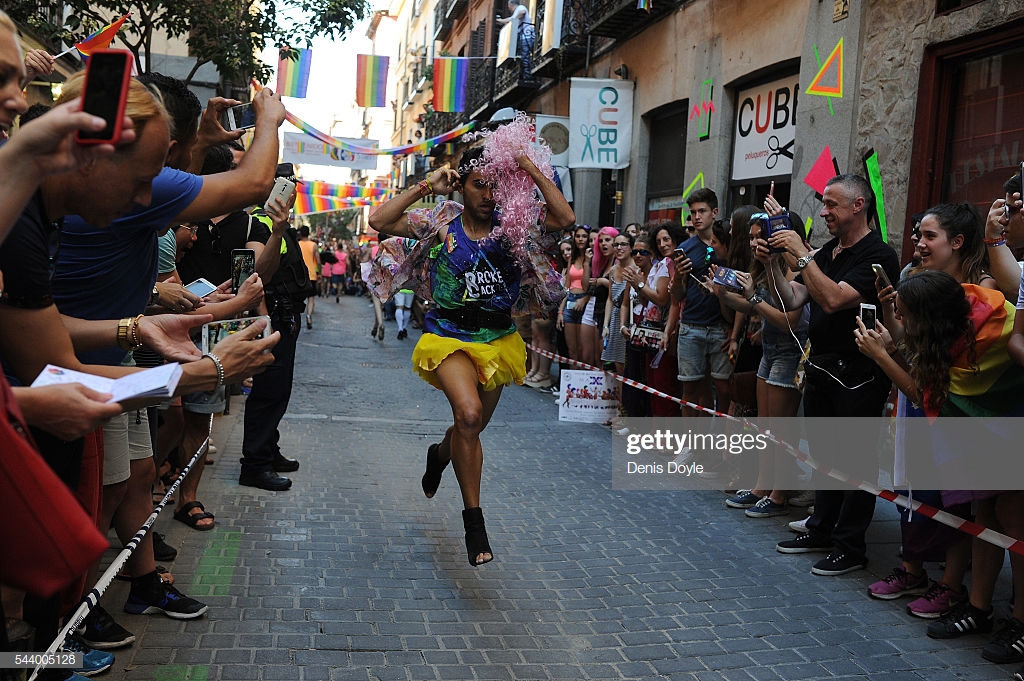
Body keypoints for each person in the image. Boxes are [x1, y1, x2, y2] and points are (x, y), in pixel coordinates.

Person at [368, 140, 574, 566]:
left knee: (467, 430)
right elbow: (378, 220)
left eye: (497, 187)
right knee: (469, 415)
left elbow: (565, 218)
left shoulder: (514, 223)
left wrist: (529, 169)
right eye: (480, 186)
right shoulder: (440, 221)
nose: (489, 196)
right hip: (447, 336)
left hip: (497, 340)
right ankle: (474, 522)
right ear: (462, 185)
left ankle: (438, 455)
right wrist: (427, 183)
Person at [856, 270, 1024, 667]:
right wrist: (890, 326)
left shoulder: (990, 331)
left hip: (1013, 423)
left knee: (1015, 524)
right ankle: (979, 609)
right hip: (990, 430)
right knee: (986, 513)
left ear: (929, 319)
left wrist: (882, 356)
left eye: (905, 316)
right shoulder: (953, 319)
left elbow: (924, 393)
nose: (904, 326)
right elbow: (922, 362)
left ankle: (1020, 621)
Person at [770, 174, 900, 576]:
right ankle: (821, 528)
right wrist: (773, 263)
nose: (823, 211)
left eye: (831, 204)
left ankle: (850, 546)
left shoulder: (878, 254)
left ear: (858, 206)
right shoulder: (828, 251)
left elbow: (832, 299)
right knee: (825, 455)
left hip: (859, 371)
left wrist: (802, 254)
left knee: (854, 459)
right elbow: (793, 297)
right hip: (823, 367)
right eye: (822, 203)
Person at [670, 189, 733, 417]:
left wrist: (734, 330)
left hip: (721, 328)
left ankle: (720, 442)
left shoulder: (727, 244)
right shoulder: (685, 249)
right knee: (691, 389)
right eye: (693, 212)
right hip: (692, 326)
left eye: (702, 211)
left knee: (725, 389)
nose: (696, 217)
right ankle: (692, 447)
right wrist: (678, 275)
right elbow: (677, 296)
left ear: (714, 212)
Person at [496, 0, 535, 78]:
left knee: (525, 55)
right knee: (523, 56)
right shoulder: (515, 13)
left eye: (508, 6)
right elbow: (509, 20)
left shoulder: (520, 8)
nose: (508, 8)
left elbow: (523, 12)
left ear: (510, 4)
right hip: (523, 37)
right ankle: (524, 73)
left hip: (526, 36)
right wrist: (500, 20)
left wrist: (514, 20)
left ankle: (527, 74)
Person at [298, 226, 320, 328]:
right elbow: (318, 261)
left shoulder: (297, 244)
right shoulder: (314, 245)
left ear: (300, 234)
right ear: (308, 233)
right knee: (311, 299)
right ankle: (309, 315)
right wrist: (319, 272)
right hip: (311, 275)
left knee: (298, 298)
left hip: (300, 275)